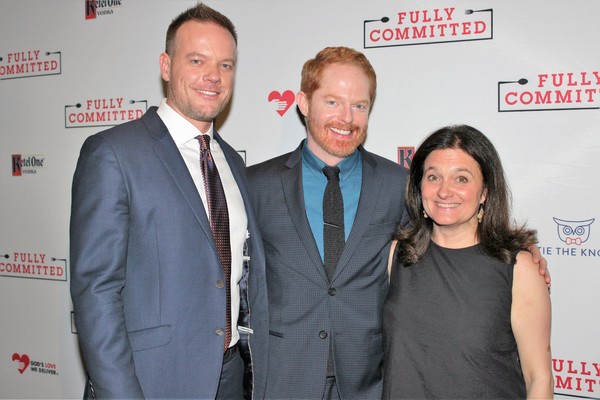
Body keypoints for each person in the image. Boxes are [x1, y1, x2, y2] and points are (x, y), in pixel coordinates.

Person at [248, 47, 550, 400]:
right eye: (332, 102)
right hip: (286, 378)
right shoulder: (254, 184)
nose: (347, 117)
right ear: (303, 102)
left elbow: (454, 227)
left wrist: (524, 254)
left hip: (371, 383)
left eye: (359, 105)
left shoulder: (398, 184)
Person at [69, 3, 268, 399]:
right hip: (150, 382)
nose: (214, 76)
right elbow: (96, 291)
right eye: (198, 60)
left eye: (226, 65)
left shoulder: (233, 164)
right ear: (166, 65)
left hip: (230, 377)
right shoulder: (113, 153)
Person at [383, 124, 554, 399]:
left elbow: (539, 379)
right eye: (433, 177)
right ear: (419, 185)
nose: (444, 191)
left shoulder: (519, 269)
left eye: (461, 179)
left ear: (485, 191)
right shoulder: (395, 256)